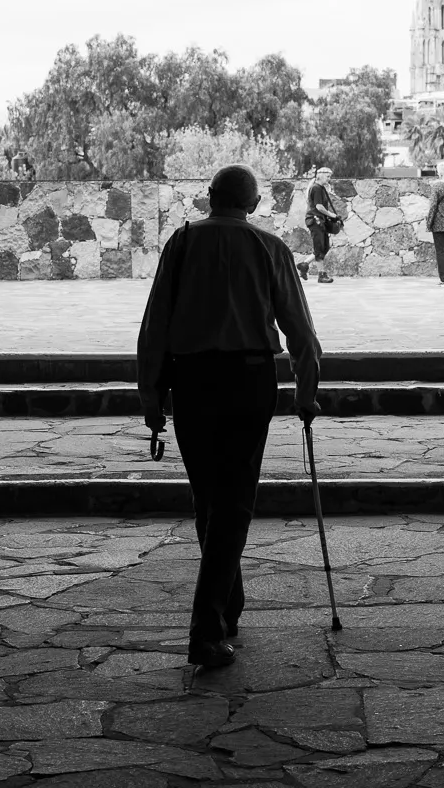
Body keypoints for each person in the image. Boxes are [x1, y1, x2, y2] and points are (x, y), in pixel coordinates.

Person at [137, 165, 322, 671]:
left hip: (192, 382)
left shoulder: (181, 243)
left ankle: (227, 607)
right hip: (248, 382)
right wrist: (307, 393)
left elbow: (154, 326)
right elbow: (302, 334)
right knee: (234, 504)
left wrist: (150, 396)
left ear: (209, 197)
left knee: (210, 502)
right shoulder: (270, 249)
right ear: (254, 204)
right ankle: (205, 628)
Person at [301, 166, 341, 284]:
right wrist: (332, 215)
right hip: (315, 220)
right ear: (321, 175)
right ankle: (321, 275)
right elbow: (319, 207)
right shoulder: (316, 188)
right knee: (319, 247)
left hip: (320, 220)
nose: (329, 179)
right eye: (328, 176)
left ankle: (304, 265)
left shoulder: (321, 188)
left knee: (324, 247)